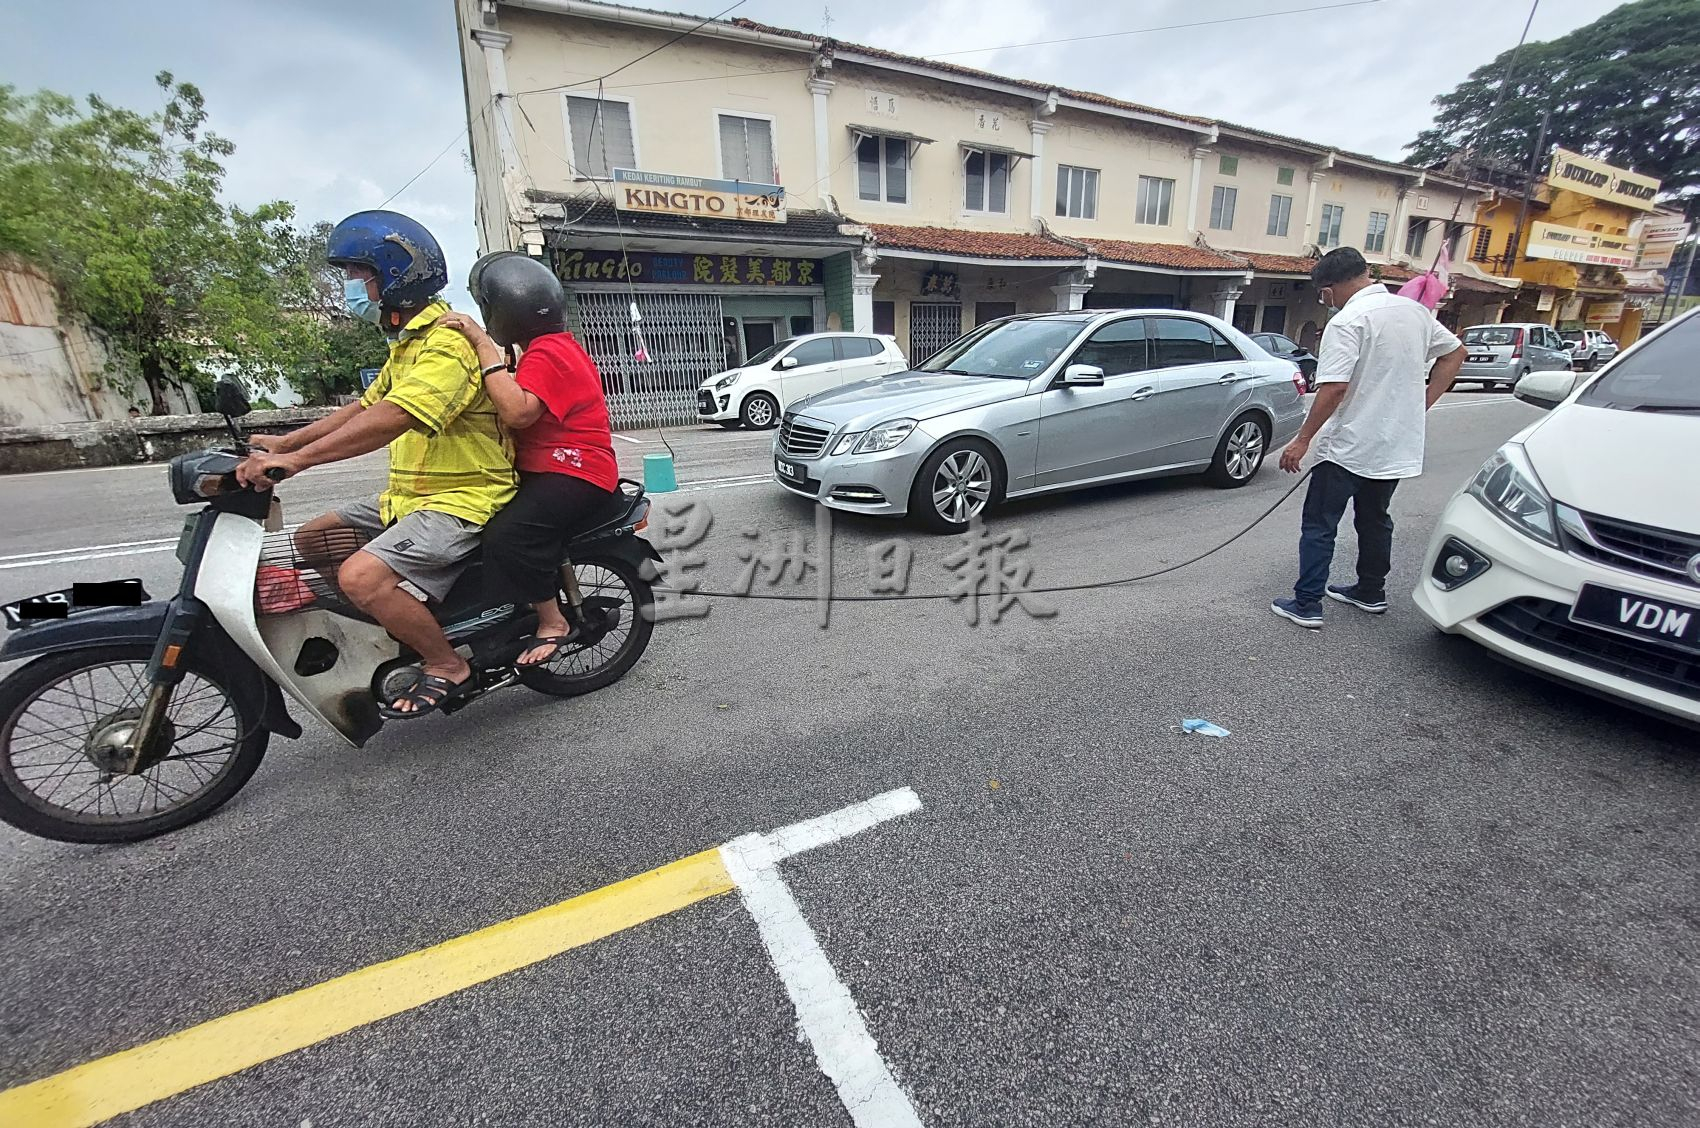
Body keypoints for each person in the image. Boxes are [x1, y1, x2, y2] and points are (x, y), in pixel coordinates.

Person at [237, 211, 516, 715]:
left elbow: (394, 417)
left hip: (466, 499)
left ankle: (446, 662)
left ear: (394, 276)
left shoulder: (447, 344)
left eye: (356, 275)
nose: (350, 287)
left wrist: (298, 461)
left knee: (361, 577)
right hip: (413, 498)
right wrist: (286, 441)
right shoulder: (406, 344)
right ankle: (400, 624)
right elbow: (364, 406)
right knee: (314, 539)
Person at [435, 252, 619, 667]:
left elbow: (518, 412)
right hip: (553, 467)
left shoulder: (549, 353)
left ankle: (552, 621)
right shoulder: (544, 350)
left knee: (510, 533)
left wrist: (482, 345)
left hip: (575, 470)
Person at [1270, 247, 1467, 629]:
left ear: (1331, 288)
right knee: (1375, 519)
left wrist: (1302, 439)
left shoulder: (1349, 322)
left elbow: (1333, 389)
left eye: (1323, 295)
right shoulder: (1415, 313)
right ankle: (1371, 590)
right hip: (1393, 443)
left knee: (1320, 523)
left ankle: (1307, 601)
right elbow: (1455, 353)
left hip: (1348, 445)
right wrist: (1422, 404)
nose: (1326, 302)